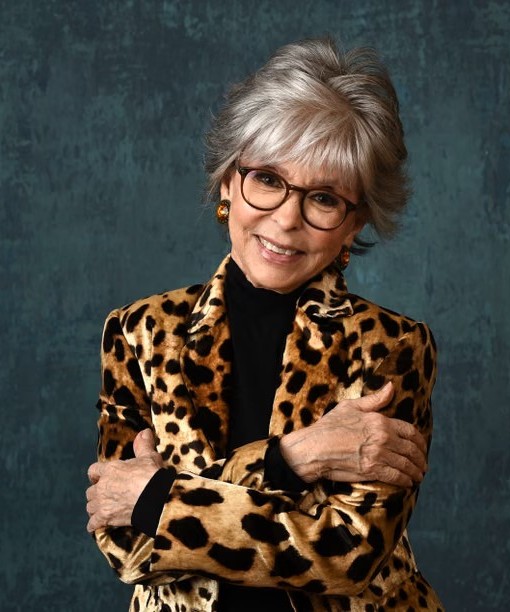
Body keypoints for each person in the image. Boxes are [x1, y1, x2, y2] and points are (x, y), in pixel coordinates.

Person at [86, 38, 444, 611]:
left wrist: (158, 500)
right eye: (269, 180)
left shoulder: (391, 348)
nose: (286, 220)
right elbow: (125, 545)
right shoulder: (139, 331)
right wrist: (295, 457)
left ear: (354, 224)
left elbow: (345, 556)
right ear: (229, 182)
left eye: (323, 198)